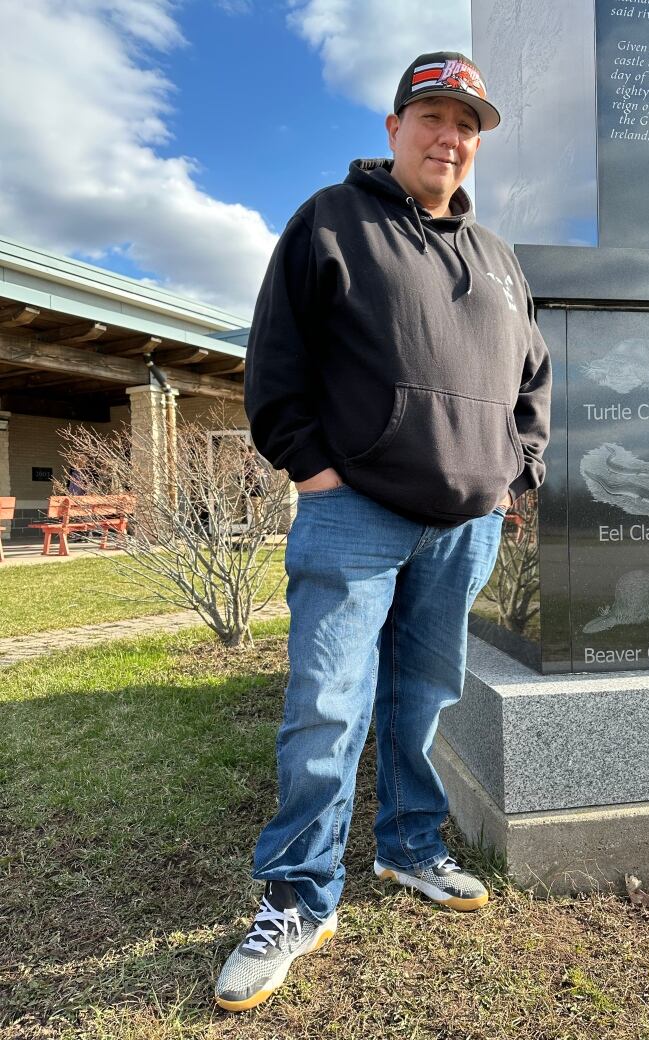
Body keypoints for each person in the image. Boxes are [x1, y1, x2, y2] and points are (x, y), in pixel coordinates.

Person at [215, 50, 552, 1013]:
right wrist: (313, 468)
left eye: (468, 126)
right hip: (354, 510)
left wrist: (514, 475)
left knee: (424, 699)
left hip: (464, 526)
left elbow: (533, 380)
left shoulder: (498, 259)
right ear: (395, 127)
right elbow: (275, 360)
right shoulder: (332, 220)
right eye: (434, 117)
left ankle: (409, 848)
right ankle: (298, 897)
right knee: (327, 704)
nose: (451, 137)